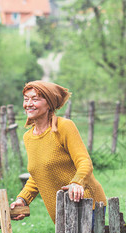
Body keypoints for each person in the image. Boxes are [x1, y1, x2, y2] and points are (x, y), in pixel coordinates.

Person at [10, 80, 107, 222]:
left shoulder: (64, 127)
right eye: (26, 99)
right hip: (62, 212)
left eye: (35, 99)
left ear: (49, 103)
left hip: (88, 205)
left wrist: (77, 183)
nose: (28, 104)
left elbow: (84, 162)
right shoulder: (28, 137)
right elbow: (38, 173)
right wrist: (23, 199)